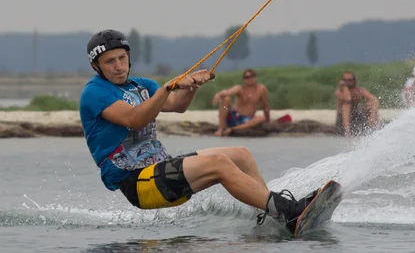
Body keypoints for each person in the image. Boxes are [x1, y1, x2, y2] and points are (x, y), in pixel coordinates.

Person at [79, 29, 318, 233]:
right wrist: (167, 88)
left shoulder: (141, 85)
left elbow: (178, 106)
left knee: (241, 154)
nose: (119, 66)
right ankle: (288, 213)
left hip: (159, 168)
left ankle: (267, 219)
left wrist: (191, 85)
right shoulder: (95, 92)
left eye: (122, 58)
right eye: (110, 61)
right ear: (96, 66)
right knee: (218, 163)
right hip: (138, 183)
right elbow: (136, 119)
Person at [212, 69, 270, 137]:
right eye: (247, 77)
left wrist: (267, 121)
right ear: (244, 79)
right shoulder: (240, 88)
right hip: (235, 116)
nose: (249, 79)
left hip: (247, 120)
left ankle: (233, 129)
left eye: (251, 76)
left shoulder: (261, 89)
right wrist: (219, 95)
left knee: (262, 118)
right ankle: (221, 128)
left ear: (255, 77)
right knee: (226, 99)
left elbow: (265, 106)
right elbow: (229, 92)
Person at [334, 71, 380, 137]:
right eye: (345, 80)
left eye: (350, 80)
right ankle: (347, 131)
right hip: (343, 118)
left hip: (356, 115)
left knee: (371, 103)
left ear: (354, 80)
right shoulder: (339, 92)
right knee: (346, 105)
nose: (347, 82)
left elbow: (374, 99)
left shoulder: (359, 90)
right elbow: (348, 99)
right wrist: (344, 88)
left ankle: (376, 126)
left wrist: (372, 115)